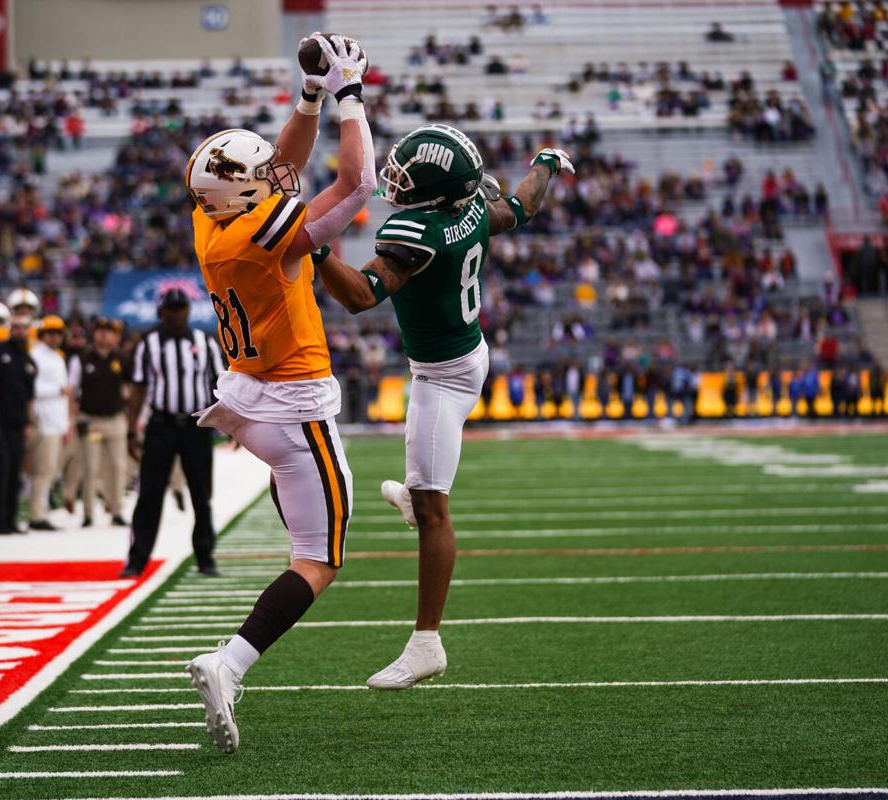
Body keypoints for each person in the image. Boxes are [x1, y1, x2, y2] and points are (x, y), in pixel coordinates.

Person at [316, 123, 572, 689]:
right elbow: (520, 204)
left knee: (435, 513)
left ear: (435, 191)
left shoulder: (418, 231)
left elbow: (360, 296)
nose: (397, 185)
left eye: (407, 179)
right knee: (423, 481)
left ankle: (426, 642)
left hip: (444, 376)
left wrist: (312, 251)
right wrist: (547, 164)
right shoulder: (474, 210)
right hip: (467, 355)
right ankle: (415, 490)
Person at [181, 32, 375, 754]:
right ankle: (227, 664)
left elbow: (281, 170)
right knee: (318, 558)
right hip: (294, 405)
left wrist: (311, 96)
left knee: (301, 499)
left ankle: (230, 663)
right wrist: (351, 92)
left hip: (247, 397)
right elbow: (356, 185)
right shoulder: (262, 234)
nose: (273, 174)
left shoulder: (211, 218)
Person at [122, 288, 225, 578]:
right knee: (149, 494)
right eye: (172, 308)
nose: (177, 313)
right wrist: (131, 430)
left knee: (201, 494)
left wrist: (232, 423)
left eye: (182, 308)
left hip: (196, 426)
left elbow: (221, 384)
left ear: (188, 311)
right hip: (162, 424)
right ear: (162, 312)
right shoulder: (149, 344)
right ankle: (137, 558)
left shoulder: (205, 342)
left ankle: (206, 556)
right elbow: (139, 389)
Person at [68, 318, 131, 527]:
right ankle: (88, 513)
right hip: (92, 420)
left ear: (115, 336)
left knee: (118, 466)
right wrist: (73, 419)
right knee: (91, 467)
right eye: (101, 331)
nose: (104, 335)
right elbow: (72, 391)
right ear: (94, 334)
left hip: (115, 418)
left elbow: (129, 388)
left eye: (109, 331)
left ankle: (116, 509)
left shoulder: (121, 358)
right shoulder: (83, 360)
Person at [0, 314, 37, 533]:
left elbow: (29, 397)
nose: (20, 331)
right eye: (16, 327)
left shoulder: (28, 360)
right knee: (0, 471)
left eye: (24, 327)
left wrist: (29, 423)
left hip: (17, 423)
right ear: (9, 329)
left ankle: (11, 520)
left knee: (15, 472)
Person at [28, 315, 70, 530]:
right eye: (50, 333)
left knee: (51, 470)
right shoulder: (36, 356)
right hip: (44, 419)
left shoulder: (57, 356)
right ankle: (37, 514)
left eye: (58, 333)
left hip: (56, 420)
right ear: (42, 334)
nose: (55, 337)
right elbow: (31, 389)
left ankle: (41, 510)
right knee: (43, 470)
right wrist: (57, 391)